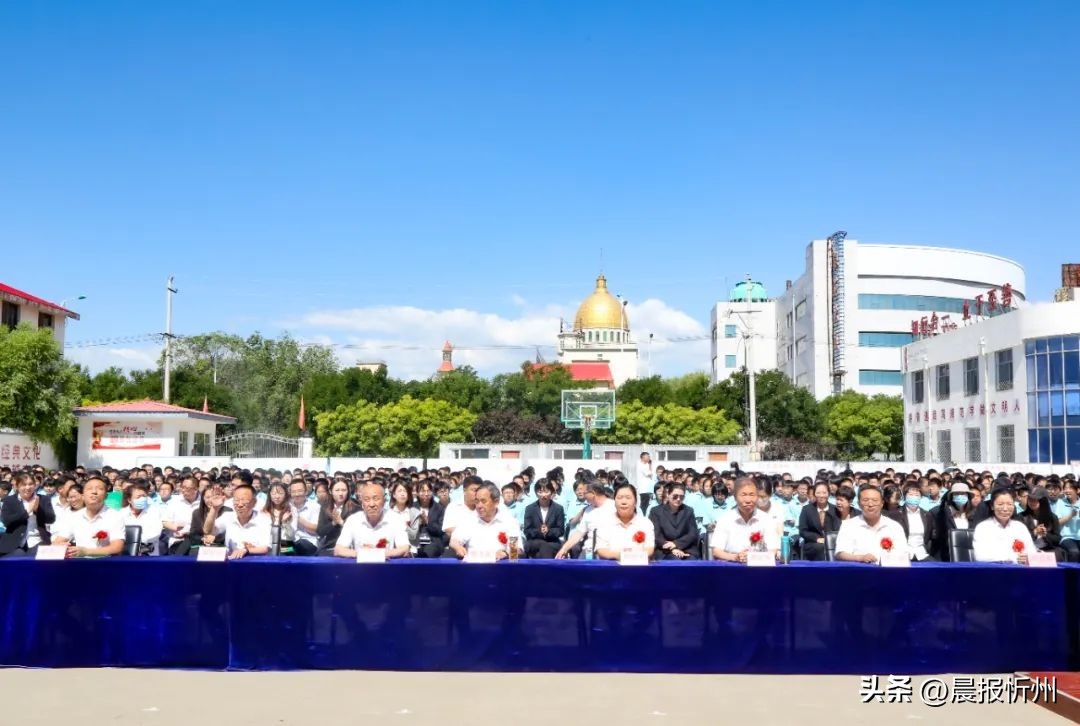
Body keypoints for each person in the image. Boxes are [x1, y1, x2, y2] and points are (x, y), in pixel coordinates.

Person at [334, 480, 410, 559]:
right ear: (362, 503)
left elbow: (404, 548)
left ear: (384, 501)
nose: (372, 504)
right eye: (367, 500)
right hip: (360, 568)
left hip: (386, 567)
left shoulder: (396, 519)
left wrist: (379, 554)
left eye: (376, 499)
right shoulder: (353, 520)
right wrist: (362, 553)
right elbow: (338, 549)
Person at [51, 476, 124, 557]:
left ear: (106, 496)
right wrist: (60, 546)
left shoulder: (115, 516)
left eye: (99, 489)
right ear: (83, 495)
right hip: (79, 564)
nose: (94, 492)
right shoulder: (74, 517)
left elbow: (117, 547)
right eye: (89, 489)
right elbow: (57, 542)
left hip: (105, 564)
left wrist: (86, 551)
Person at [711, 477, 779, 563]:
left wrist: (754, 557)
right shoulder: (724, 519)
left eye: (751, 495)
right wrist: (735, 557)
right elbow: (716, 551)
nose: (748, 500)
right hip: (731, 567)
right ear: (735, 497)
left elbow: (773, 549)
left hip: (759, 567)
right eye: (743, 495)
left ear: (757, 496)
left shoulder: (767, 520)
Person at [834, 486, 908, 564]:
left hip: (887, 572)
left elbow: (903, 553)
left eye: (875, 500)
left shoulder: (894, 527)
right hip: (858, 571)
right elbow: (840, 553)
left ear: (882, 503)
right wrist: (860, 558)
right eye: (865, 500)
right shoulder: (848, 526)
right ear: (859, 503)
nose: (870, 504)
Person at [449, 482, 522, 560]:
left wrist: (505, 553)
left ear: (496, 502)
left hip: (500, 567)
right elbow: (454, 540)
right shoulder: (469, 520)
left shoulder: (509, 521)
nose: (479, 506)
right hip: (474, 567)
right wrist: (458, 547)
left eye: (483, 501)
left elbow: (516, 550)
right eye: (477, 501)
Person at [204, 483, 270, 560]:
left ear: (254, 502)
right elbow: (207, 531)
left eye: (244, 500)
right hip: (232, 561)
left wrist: (247, 550)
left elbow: (265, 547)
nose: (240, 504)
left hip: (255, 562)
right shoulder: (228, 516)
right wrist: (214, 509)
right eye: (236, 500)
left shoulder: (263, 519)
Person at [0, 473, 57, 557]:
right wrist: (27, 512)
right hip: (14, 542)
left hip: (38, 540)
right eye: (24, 485)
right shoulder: (9, 500)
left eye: (30, 484)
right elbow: (6, 521)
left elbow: (51, 519)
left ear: (35, 485)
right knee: (17, 557)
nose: (27, 487)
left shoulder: (43, 499)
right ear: (17, 486)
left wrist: (37, 510)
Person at [595, 481, 655, 561]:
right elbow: (601, 550)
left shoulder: (645, 523)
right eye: (619, 498)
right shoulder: (605, 523)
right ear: (614, 501)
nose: (623, 502)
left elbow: (649, 549)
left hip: (638, 568)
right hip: (611, 568)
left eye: (628, 498)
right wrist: (622, 555)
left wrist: (631, 557)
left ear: (635, 502)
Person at [973, 489, 1036, 564]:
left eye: (1009, 504)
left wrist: (1027, 557)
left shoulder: (1020, 527)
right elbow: (981, 556)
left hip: (1020, 571)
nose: (1005, 509)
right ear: (992, 506)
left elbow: (1032, 552)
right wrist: (1013, 558)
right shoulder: (983, 528)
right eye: (1000, 504)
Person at [555, 481, 614, 559]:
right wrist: (564, 549)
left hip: (609, 552)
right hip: (588, 552)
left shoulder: (614, 507)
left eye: (585, 493)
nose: (583, 495)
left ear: (593, 493)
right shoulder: (588, 510)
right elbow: (579, 533)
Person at [651, 482, 698, 560]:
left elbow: (692, 533)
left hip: (686, 548)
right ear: (668, 495)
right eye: (675, 496)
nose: (678, 499)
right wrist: (672, 548)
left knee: (692, 564)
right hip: (665, 551)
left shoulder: (688, 511)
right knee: (675, 561)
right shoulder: (656, 511)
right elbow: (657, 535)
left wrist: (676, 544)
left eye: (681, 497)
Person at [798, 482, 841, 561]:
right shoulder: (807, 509)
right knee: (820, 547)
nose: (821, 495)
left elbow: (837, 529)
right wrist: (817, 539)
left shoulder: (835, 509)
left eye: (824, 493)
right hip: (813, 543)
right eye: (818, 493)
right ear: (814, 494)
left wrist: (828, 540)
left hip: (832, 543)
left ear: (828, 493)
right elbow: (803, 530)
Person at [522, 479, 565, 559]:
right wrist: (539, 531)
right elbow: (527, 530)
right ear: (536, 493)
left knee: (544, 548)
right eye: (540, 492)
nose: (543, 495)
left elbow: (560, 530)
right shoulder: (530, 508)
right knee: (543, 545)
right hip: (534, 541)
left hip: (552, 541)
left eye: (546, 491)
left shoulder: (558, 508)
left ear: (551, 492)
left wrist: (549, 531)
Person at [1020, 486, 1064, 561]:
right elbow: (1019, 538)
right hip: (1028, 551)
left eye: (1035, 500)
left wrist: (1046, 534)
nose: (1032, 502)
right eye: (1030, 499)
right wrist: (1035, 532)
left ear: (1043, 501)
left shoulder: (1052, 517)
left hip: (1047, 551)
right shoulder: (1021, 516)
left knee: (1059, 553)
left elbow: (1057, 539)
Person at [315, 480, 360, 555]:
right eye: (337, 490)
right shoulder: (325, 507)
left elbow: (358, 531)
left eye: (344, 490)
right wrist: (333, 523)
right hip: (330, 546)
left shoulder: (355, 507)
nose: (340, 493)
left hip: (349, 548)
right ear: (330, 491)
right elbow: (320, 531)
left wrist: (341, 522)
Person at [932, 482, 974, 561]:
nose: (960, 496)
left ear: (968, 496)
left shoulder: (973, 514)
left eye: (963, 494)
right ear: (951, 497)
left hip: (968, 556)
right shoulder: (943, 514)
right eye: (957, 494)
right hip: (948, 556)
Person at [120, 482, 163, 555]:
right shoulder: (121, 514)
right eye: (138, 497)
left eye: (144, 496)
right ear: (129, 500)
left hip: (149, 554)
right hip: (127, 554)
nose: (142, 499)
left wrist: (136, 540)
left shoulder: (154, 511)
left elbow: (156, 532)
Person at [896, 482, 935, 562]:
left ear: (921, 497)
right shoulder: (896, 515)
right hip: (902, 555)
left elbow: (932, 536)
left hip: (922, 554)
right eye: (910, 495)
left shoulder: (927, 515)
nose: (914, 497)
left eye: (917, 495)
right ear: (904, 496)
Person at [163, 477, 200, 555]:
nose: (183, 490)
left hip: (198, 541)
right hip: (178, 541)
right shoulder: (174, 501)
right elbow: (165, 521)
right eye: (182, 487)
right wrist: (175, 528)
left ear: (196, 489)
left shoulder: (202, 502)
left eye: (187, 488)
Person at [415, 480, 446, 558]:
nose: (426, 494)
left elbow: (440, 530)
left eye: (428, 491)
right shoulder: (412, 507)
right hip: (416, 540)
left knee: (428, 552)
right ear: (417, 493)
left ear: (432, 492)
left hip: (433, 541)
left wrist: (427, 522)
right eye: (422, 491)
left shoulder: (439, 508)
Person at [387, 481, 422, 549]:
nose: (402, 494)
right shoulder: (388, 514)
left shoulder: (414, 512)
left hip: (411, 550)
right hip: (392, 550)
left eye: (405, 491)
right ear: (394, 495)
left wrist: (405, 525)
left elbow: (413, 536)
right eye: (400, 491)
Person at [289, 480, 320, 556]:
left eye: (300, 491)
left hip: (309, 542)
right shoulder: (287, 507)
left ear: (306, 492)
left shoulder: (315, 507)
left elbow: (316, 530)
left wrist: (296, 517)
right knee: (282, 549)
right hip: (290, 542)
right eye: (293, 492)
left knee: (301, 544)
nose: (296, 494)